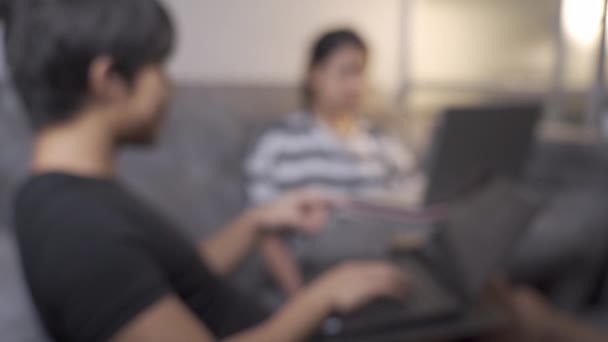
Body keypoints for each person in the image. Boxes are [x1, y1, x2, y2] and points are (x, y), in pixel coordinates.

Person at [6, 1, 410, 341]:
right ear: (109, 80)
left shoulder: (72, 199)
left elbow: (171, 279)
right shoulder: (77, 229)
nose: (169, 88)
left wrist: (257, 221)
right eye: (159, 69)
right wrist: (323, 297)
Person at [245, 29, 422, 297]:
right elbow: (264, 232)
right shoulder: (278, 143)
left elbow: (421, 206)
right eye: (345, 73)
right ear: (315, 75)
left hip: (387, 274)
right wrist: (302, 302)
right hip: (316, 282)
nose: (355, 85)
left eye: (361, 73)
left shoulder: (383, 143)